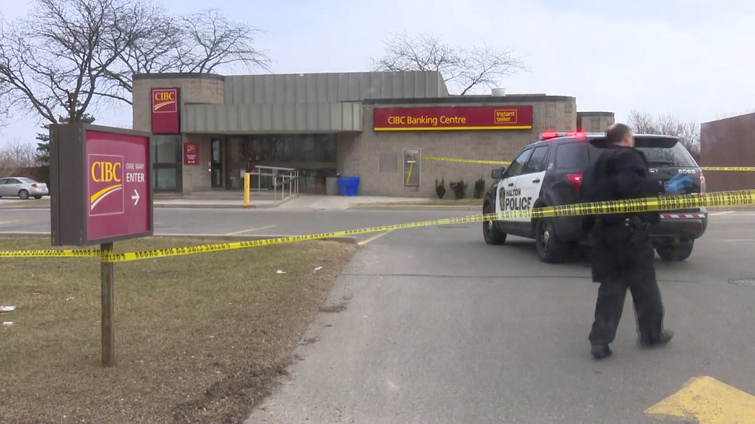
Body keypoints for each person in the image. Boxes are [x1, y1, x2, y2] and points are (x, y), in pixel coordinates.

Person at [580, 123, 693, 359]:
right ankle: (651, 334)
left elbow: (585, 200)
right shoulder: (627, 157)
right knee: (645, 286)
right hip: (629, 232)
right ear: (627, 137)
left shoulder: (594, 165)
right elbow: (631, 186)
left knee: (611, 288)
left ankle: (600, 341)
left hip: (604, 234)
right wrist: (663, 187)